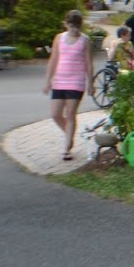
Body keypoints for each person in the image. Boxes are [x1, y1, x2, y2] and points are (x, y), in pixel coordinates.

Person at [43, 10, 92, 161]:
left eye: (76, 26)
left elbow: (88, 63)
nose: (74, 30)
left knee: (70, 114)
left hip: (76, 81)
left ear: (80, 26)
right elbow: (53, 59)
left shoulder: (85, 40)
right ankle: (69, 135)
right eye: (71, 26)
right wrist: (48, 81)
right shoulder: (59, 38)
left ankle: (66, 149)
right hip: (59, 80)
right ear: (66, 24)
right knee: (55, 114)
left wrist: (91, 83)